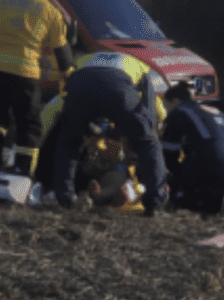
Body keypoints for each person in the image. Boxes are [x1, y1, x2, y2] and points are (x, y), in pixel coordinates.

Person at [0, 0, 74, 177]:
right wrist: (69, 76)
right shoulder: (50, 11)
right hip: (24, 74)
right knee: (29, 124)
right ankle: (22, 170)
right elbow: (62, 50)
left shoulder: (0, 1)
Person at [50, 51, 168, 216]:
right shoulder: (140, 65)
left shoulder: (83, 59)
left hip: (81, 88)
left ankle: (65, 198)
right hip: (119, 91)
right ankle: (155, 203)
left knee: (69, 144)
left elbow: (66, 89)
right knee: (148, 144)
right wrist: (143, 133)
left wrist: (79, 126)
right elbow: (150, 109)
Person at [161, 81, 224, 213]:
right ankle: (222, 190)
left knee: (180, 186)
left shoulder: (179, 113)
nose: (166, 111)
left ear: (174, 101)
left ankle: (194, 196)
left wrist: (175, 177)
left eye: (166, 106)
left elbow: (169, 154)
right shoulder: (214, 110)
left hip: (213, 163)